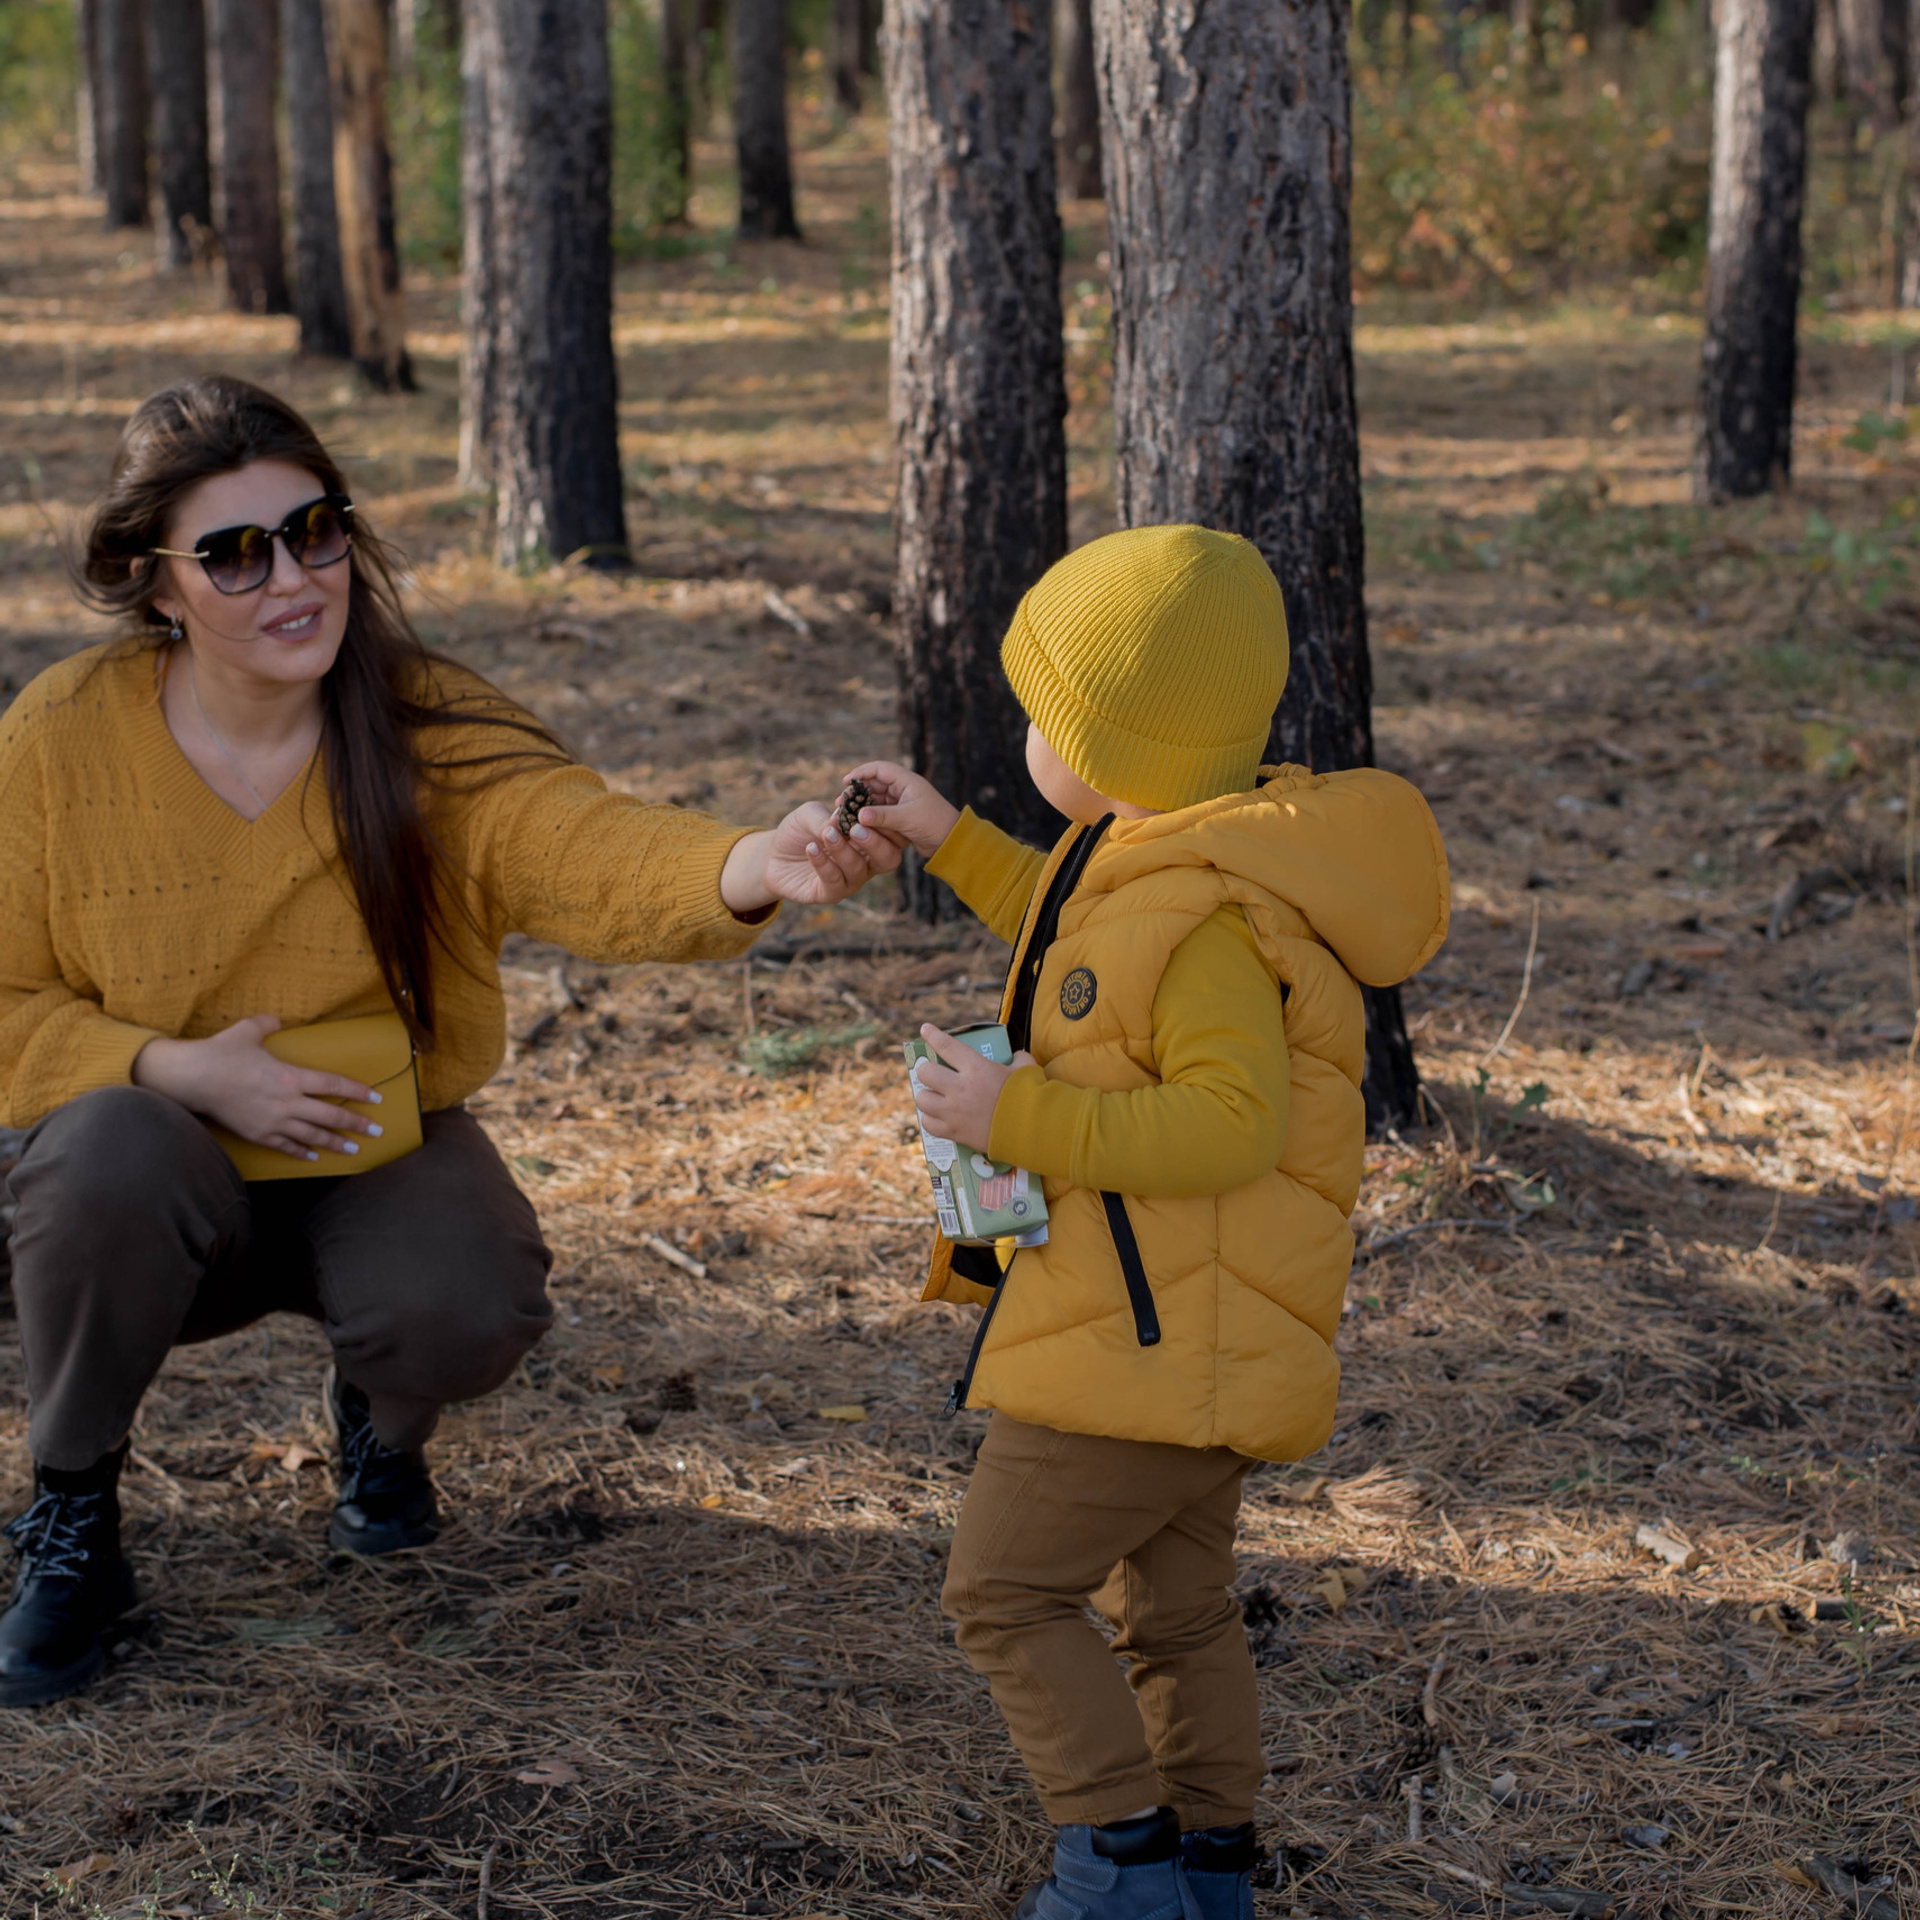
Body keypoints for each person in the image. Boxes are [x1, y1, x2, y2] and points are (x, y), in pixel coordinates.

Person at [0, 375, 897, 1709]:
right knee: (111, 1151)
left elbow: (571, 842)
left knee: (473, 1295)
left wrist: (748, 863)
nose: (294, 576)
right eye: (236, 554)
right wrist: (177, 1067)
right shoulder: (64, 739)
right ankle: (73, 1514)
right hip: (145, 1172)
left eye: (317, 530)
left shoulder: (421, 721)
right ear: (158, 584)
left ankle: (382, 1424)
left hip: (362, 1150)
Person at [850, 525, 1449, 1920]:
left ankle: (1115, 1868)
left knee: (1002, 1593)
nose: (1025, 735)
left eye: (1043, 716)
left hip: (1141, 1346)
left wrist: (1019, 1127)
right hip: (1187, 1334)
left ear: (1116, 747)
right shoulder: (1160, 860)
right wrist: (949, 838)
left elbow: (1229, 1121)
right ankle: (1209, 1870)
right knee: (1174, 1613)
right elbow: (1068, 945)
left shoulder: (1204, 928)